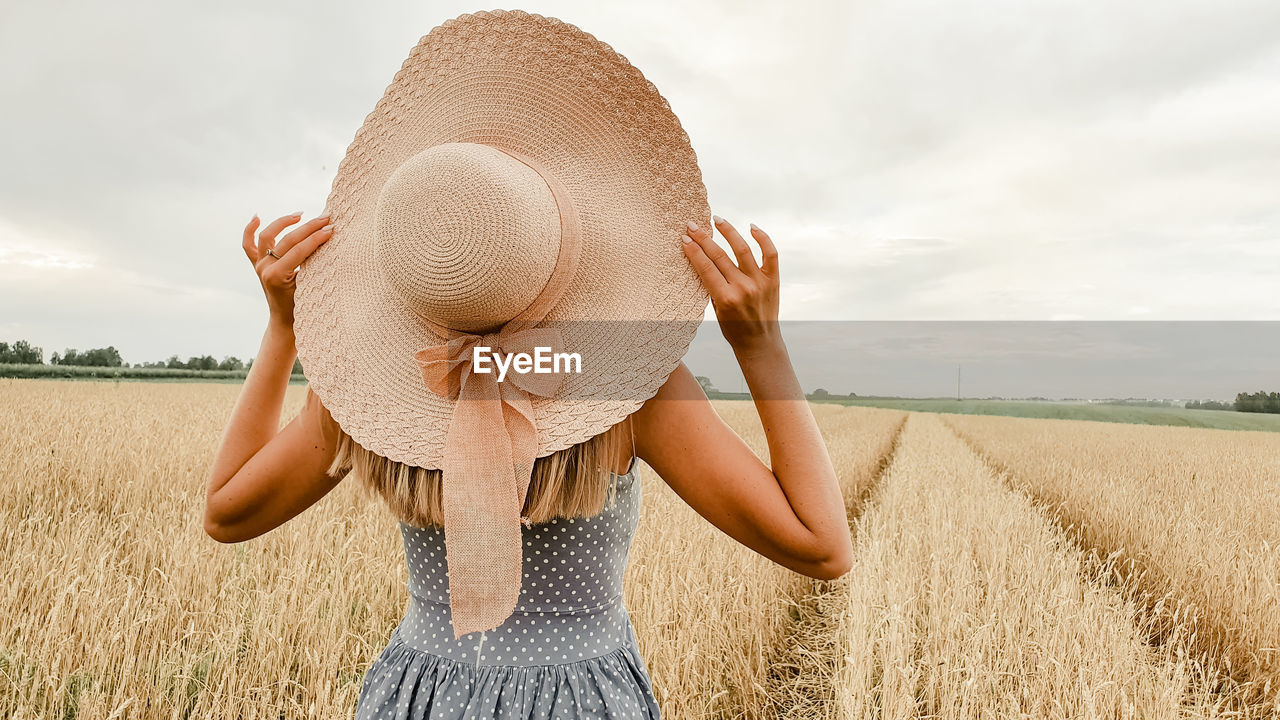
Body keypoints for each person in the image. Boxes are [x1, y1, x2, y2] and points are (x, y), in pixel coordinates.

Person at [204, 9, 850, 719]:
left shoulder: (373, 393)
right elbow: (821, 545)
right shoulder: (620, 382)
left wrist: (283, 330)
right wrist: (762, 348)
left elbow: (226, 513)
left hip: (419, 697)